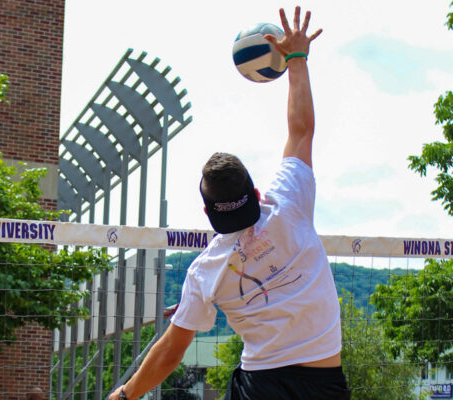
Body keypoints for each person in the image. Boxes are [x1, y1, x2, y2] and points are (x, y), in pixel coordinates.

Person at [109, 6, 350, 400]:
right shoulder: (287, 202)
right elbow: (302, 129)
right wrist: (297, 58)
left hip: (261, 386)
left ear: (208, 213)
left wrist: (124, 395)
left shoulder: (205, 272)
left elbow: (172, 350)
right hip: (325, 382)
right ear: (255, 194)